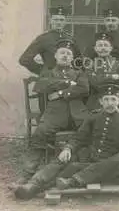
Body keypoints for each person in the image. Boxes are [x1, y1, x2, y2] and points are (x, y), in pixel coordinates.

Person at [13, 83, 119, 199]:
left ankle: (35, 189)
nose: (110, 103)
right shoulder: (93, 116)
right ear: (100, 101)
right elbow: (79, 137)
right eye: (106, 100)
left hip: (105, 166)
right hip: (89, 159)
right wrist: (68, 148)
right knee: (62, 159)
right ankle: (32, 184)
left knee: (69, 170)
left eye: (113, 99)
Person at [19, 38, 89, 183]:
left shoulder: (79, 73)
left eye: (69, 54)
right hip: (55, 115)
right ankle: (27, 173)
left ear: (73, 58)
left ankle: (85, 171)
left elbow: (84, 89)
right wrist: (68, 83)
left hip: (78, 114)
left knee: (92, 131)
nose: (65, 56)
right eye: (62, 53)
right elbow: (41, 86)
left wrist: (60, 93)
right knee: (40, 134)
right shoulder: (47, 72)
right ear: (55, 56)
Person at [19, 6, 80, 76]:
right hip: (50, 79)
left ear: (65, 22)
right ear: (50, 21)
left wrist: (74, 73)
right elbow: (24, 59)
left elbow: (78, 60)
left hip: (69, 78)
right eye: (55, 20)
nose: (58, 23)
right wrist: (44, 71)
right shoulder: (43, 38)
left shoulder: (70, 39)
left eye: (61, 20)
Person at [84, 32, 119, 111]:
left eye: (106, 45)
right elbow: (94, 82)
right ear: (95, 48)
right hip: (95, 102)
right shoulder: (90, 64)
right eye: (100, 45)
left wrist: (100, 77)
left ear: (111, 48)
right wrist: (111, 76)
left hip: (116, 101)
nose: (103, 48)